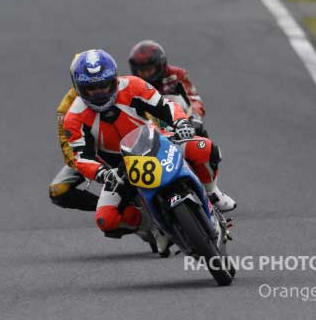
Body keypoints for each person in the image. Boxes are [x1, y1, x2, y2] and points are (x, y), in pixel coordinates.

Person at [63, 50, 236, 253]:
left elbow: (165, 105)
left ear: (114, 80)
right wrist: (103, 174)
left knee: (204, 148)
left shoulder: (133, 85)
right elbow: (81, 158)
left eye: (104, 85)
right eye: (91, 89)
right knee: (106, 219)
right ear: (79, 87)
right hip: (119, 170)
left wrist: (180, 122)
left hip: (157, 143)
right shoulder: (73, 117)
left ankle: (212, 192)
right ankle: (153, 228)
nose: (100, 93)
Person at [49, 55, 100, 212]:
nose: (97, 91)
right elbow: (66, 144)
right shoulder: (65, 109)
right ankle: (112, 207)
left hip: (123, 143)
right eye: (88, 85)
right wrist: (87, 166)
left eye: (101, 82)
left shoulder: (125, 87)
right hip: (91, 153)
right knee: (58, 190)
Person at [129, 40, 207, 137]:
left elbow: (194, 98)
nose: (146, 74)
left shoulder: (177, 74)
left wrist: (195, 118)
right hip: (149, 129)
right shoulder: (133, 83)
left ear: (159, 65)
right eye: (142, 71)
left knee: (201, 134)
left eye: (149, 70)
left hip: (182, 125)